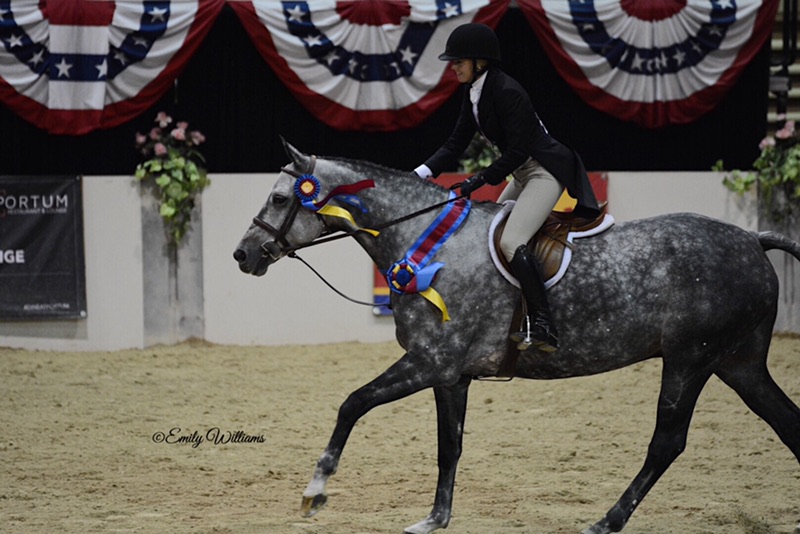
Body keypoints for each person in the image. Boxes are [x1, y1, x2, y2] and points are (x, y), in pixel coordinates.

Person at [414, 23, 600, 352]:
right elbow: (455, 143)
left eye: (459, 61)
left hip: (544, 171)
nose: (453, 66)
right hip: (522, 172)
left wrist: (479, 180)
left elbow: (517, 150)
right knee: (489, 235)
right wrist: (420, 173)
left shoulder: (508, 92)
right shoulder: (474, 92)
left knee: (513, 240)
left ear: (480, 62)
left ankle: (544, 324)